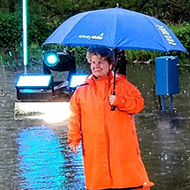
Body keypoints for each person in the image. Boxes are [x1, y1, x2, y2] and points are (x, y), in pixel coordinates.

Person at [67, 46, 154, 190]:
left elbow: (138, 104)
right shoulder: (81, 89)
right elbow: (74, 115)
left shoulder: (123, 85)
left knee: (126, 181)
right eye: (93, 62)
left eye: (101, 62)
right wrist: (74, 138)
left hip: (120, 145)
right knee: (98, 182)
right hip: (94, 145)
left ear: (110, 64)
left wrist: (120, 101)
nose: (96, 66)